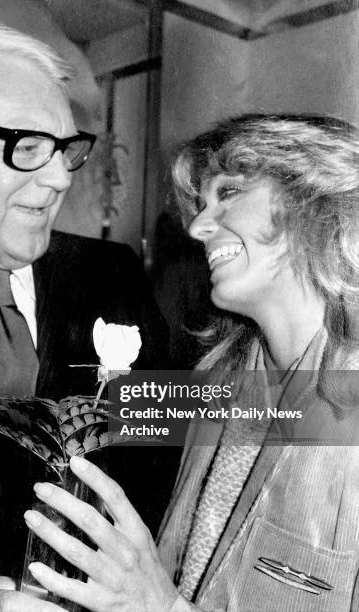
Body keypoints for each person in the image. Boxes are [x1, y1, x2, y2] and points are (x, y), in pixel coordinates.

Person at [24, 114, 359, 612]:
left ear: (313, 197)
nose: (199, 227)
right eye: (201, 205)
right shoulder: (216, 381)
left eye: (228, 194)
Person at [0, 15, 173, 600]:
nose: (62, 176)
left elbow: (164, 455)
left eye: (67, 148)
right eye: (29, 146)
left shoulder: (112, 276)